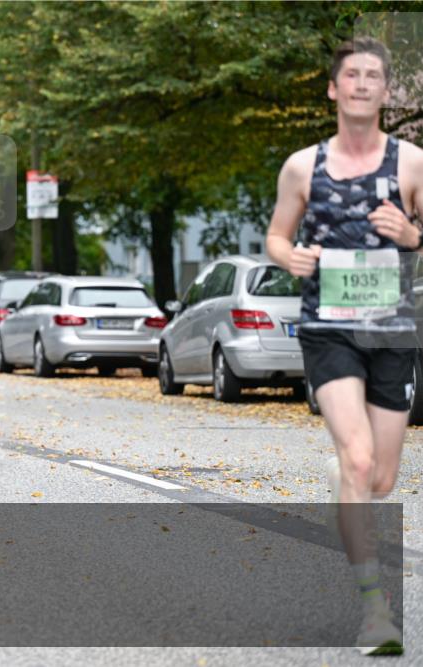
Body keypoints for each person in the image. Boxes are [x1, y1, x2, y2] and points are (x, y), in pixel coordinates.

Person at [266, 37, 423, 657]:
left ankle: (350, 477)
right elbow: (277, 237)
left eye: (373, 76)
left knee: (379, 478)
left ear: (386, 92)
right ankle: (374, 611)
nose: (361, 84)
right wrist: (292, 257)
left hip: (392, 332)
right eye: (350, 75)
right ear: (333, 89)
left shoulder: (411, 164)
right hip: (328, 328)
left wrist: (411, 233)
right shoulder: (303, 167)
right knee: (359, 463)